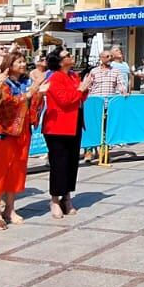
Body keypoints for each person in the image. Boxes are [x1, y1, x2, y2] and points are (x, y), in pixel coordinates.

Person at [0, 52, 36, 230]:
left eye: (23, 61)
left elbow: (32, 103)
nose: (23, 64)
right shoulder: (3, 82)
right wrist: (28, 96)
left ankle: (10, 208)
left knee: (16, 171)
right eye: (19, 62)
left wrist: (36, 95)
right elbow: (6, 103)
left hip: (22, 132)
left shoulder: (26, 82)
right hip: (1, 132)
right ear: (10, 64)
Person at [42, 50, 85, 217]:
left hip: (74, 123)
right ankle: (54, 199)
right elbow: (65, 100)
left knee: (72, 162)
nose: (71, 57)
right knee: (59, 163)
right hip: (58, 126)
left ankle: (67, 196)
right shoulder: (55, 78)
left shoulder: (74, 76)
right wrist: (81, 90)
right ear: (60, 62)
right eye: (67, 55)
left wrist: (84, 88)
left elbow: (80, 97)